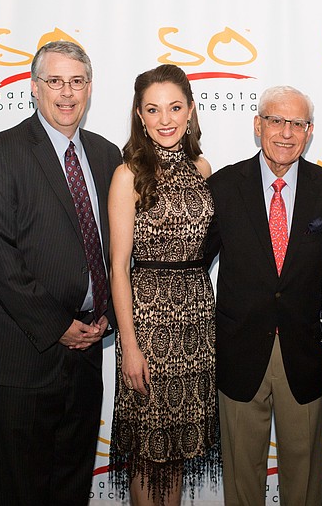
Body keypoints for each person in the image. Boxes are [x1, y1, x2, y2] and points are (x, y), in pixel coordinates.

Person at [0, 40, 121, 505]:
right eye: (54, 81)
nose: (66, 92)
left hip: (87, 351)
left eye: (76, 81)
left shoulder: (105, 153)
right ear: (34, 89)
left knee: (73, 485)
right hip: (23, 356)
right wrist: (58, 327)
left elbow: (119, 248)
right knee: (23, 491)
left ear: (90, 88)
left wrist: (106, 316)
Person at [206, 86, 322, 506]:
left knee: (303, 486)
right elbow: (190, 265)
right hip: (239, 351)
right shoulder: (223, 185)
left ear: (310, 131)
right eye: (276, 120)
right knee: (241, 482)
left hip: (305, 355)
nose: (286, 132)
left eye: (297, 123)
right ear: (257, 125)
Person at [107, 64, 219, 505]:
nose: (165, 119)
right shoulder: (128, 175)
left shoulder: (202, 169)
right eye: (153, 110)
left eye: (175, 107)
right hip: (148, 327)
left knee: (174, 456)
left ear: (190, 111)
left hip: (195, 323)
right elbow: (118, 267)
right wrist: (130, 346)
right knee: (147, 457)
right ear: (139, 115)